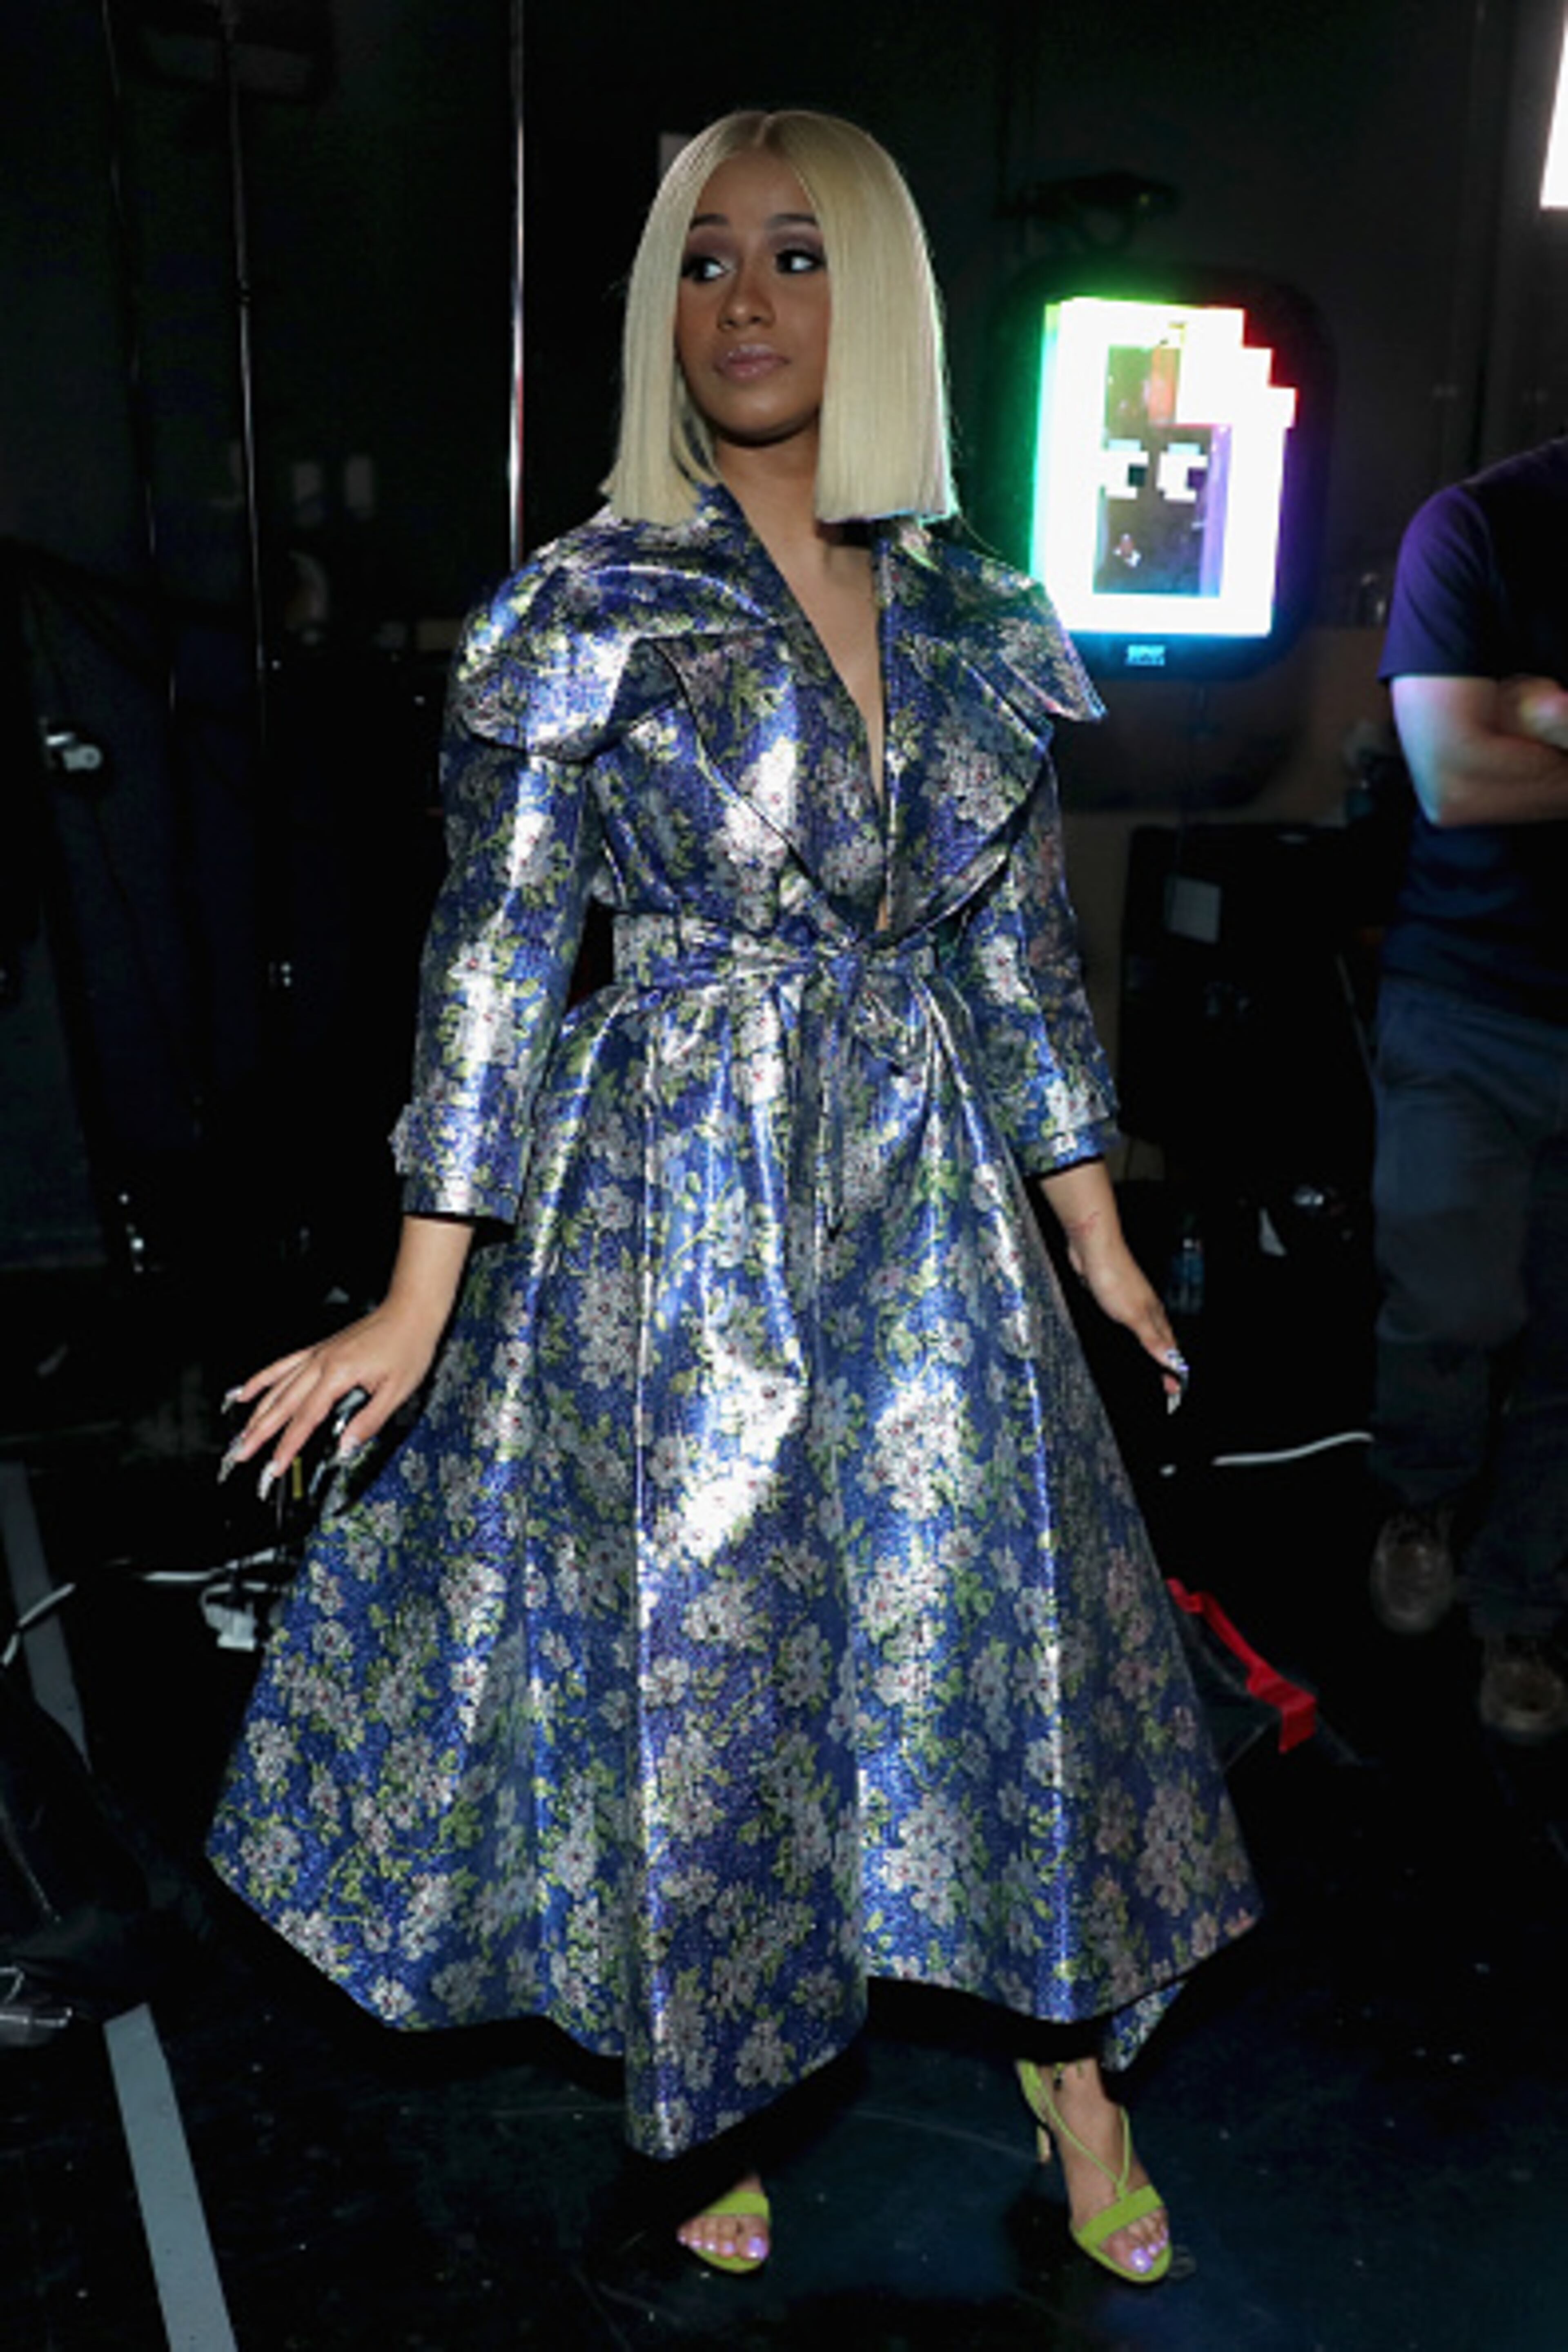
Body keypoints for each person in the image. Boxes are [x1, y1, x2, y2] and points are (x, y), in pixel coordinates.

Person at [209, 109, 1257, 2287]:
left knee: (1003, 1630)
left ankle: (1074, 2070)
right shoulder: (586, 604)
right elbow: (496, 958)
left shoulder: (981, 609)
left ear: (881, 301)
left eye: (797, 254)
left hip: (929, 1200)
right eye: (703, 262)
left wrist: (1094, 1232)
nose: (747, 301)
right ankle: (715, 2077)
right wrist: (417, 1294)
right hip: (676, 1196)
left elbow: (1017, 953)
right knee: (711, 1649)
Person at [1370, 434, 1568, 1742]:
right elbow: (1455, 775)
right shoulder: (1476, 527)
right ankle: (1421, 1498)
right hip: (1467, 1006)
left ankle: (1524, 1609)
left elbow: (1506, 749)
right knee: (1450, 1301)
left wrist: (1543, 716)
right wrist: (1505, 731)